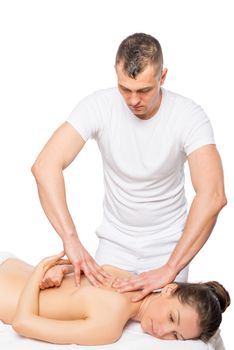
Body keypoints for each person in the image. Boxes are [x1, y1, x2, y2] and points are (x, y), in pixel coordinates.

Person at [31, 33, 227, 301]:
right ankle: (65, 268)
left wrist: (171, 267)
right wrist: (71, 240)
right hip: (114, 247)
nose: (134, 100)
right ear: (116, 73)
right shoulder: (98, 106)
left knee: (159, 330)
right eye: (125, 88)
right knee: (101, 320)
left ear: (163, 77)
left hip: (169, 248)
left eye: (144, 90)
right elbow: (45, 165)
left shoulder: (189, 116)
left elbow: (213, 195)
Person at [0, 252, 230, 345]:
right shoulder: (126, 278)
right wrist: (60, 269)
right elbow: (77, 273)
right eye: (172, 317)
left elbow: (22, 323)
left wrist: (43, 267)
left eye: (176, 336)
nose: (162, 331)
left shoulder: (109, 326)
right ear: (169, 289)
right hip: (9, 263)